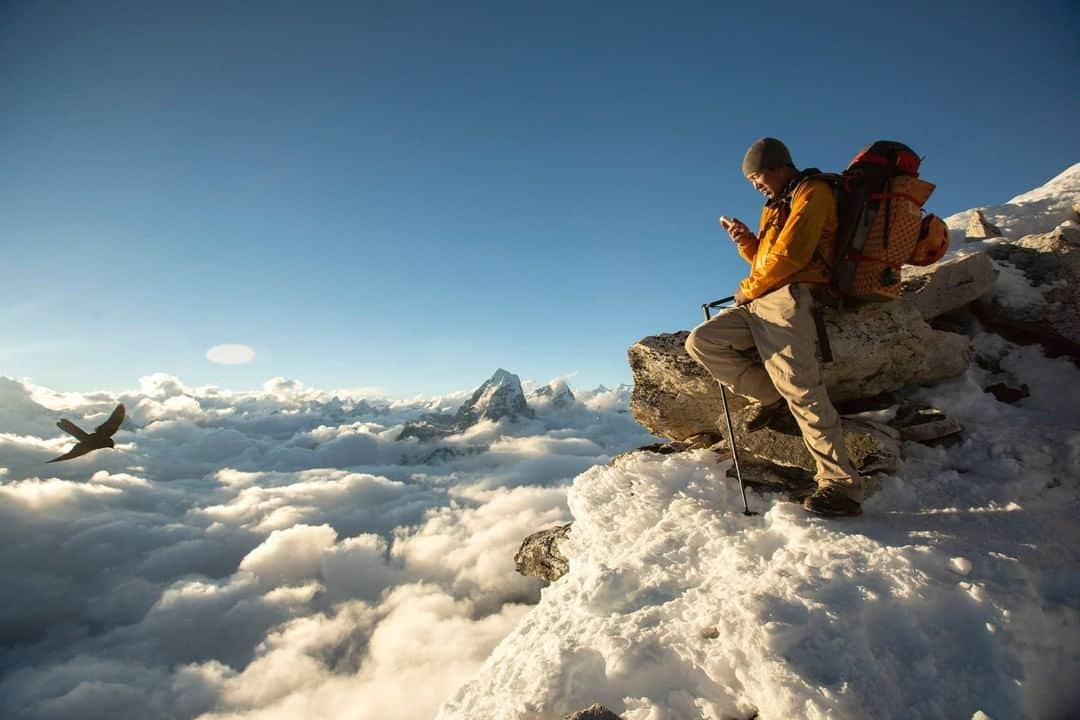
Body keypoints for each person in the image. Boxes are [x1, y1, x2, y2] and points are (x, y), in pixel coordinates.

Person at [684, 137, 864, 517]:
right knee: (702, 342)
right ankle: (769, 397)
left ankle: (840, 483)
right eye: (751, 180)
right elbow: (766, 260)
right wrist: (748, 242)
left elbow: (793, 256)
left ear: (779, 166)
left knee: (801, 386)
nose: (755, 185)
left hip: (791, 298)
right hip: (763, 297)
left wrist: (748, 289)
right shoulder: (776, 205)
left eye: (757, 176)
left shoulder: (812, 193)